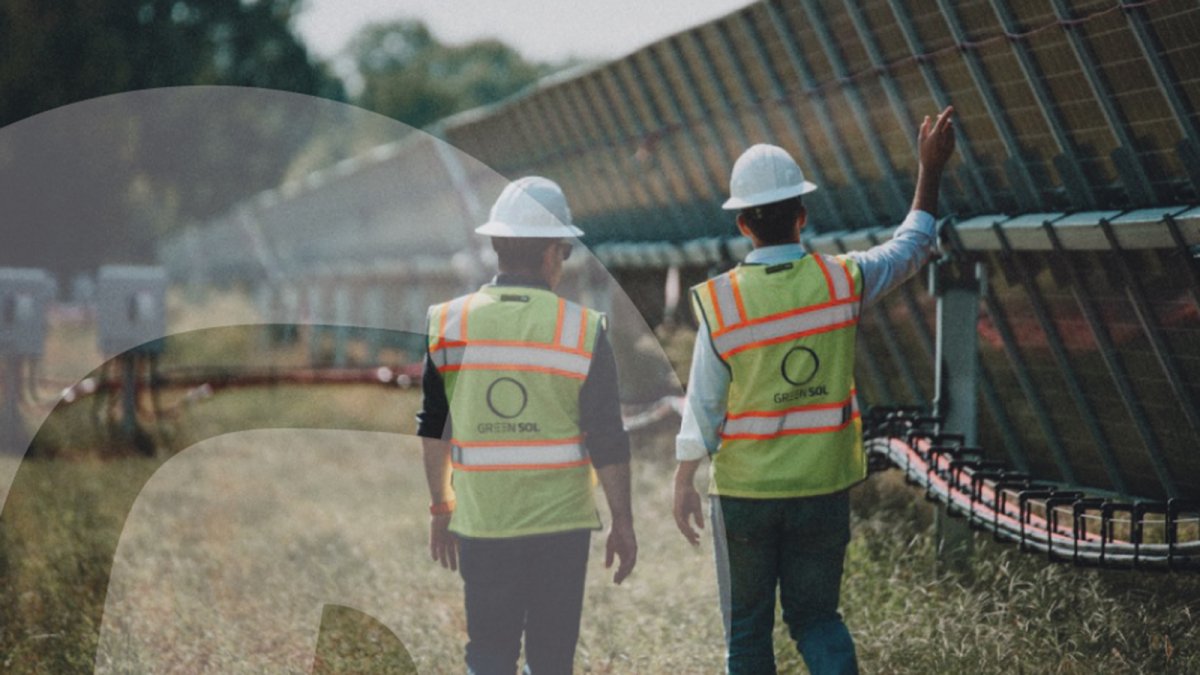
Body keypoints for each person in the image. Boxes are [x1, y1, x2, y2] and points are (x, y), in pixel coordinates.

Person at [673, 107, 957, 674]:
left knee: (748, 631)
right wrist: (930, 170)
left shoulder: (722, 302)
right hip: (822, 487)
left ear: (742, 225)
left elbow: (703, 405)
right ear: (803, 216)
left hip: (745, 496)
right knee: (817, 620)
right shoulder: (842, 280)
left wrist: (684, 477)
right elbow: (912, 245)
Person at [418, 176, 637, 675]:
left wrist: (439, 507)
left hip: (483, 520)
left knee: (490, 655)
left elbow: (435, 427)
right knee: (551, 660)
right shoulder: (583, 329)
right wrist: (622, 521)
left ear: (497, 246)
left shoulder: (450, 323)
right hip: (561, 526)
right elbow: (608, 435)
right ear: (551, 254)